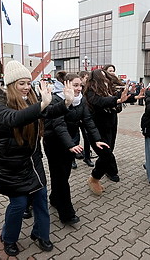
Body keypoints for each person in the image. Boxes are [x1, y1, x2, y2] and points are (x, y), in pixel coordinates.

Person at [0, 60, 74, 256]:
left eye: (28, 82)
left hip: (32, 161)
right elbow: (13, 119)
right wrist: (42, 104)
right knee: (18, 204)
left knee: (41, 199)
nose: (27, 87)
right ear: (11, 84)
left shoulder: (30, 98)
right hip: (9, 165)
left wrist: (66, 102)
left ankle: (41, 234)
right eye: (21, 83)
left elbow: (47, 112)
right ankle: (9, 238)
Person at [43, 73, 109, 225]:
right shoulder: (55, 100)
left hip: (71, 143)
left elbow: (88, 120)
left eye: (81, 85)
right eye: (75, 85)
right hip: (54, 142)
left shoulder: (81, 100)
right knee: (60, 176)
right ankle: (66, 213)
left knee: (62, 175)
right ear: (66, 85)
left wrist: (97, 139)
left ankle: (54, 198)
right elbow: (58, 125)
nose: (79, 88)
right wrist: (70, 145)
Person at [84, 69, 144, 195]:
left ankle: (102, 174)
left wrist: (135, 97)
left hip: (110, 126)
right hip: (96, 129)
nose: (106, 78)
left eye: (107, 76)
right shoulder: (90, 91)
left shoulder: (108, 89)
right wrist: (117, 100)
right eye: (104, 76)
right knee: (105, 155)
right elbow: (100, 101)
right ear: (96, 79)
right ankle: (94, 178)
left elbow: (119, 98)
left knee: (108, 153)